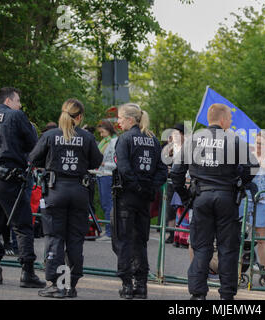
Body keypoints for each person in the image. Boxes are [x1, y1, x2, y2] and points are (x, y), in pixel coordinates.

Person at [170, 103, 257, 300]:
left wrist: (186, 198)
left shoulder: (193, 139)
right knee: (228, 249)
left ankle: (198, 295)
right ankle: (227, 296)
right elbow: (253, 166)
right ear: (223, 119)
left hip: (201, 197)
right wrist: (240, 183)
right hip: (227, 198)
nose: (232, 123)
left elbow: (176, 173)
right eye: (230, 119)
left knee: (201, 248)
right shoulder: (234, 140)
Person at [30, 98, 103, 298]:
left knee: (55, 238)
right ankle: (70, 284)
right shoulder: (86, 137)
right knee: (75, 239)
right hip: (79, 192)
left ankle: (57, 284)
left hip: (55, 191)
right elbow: (97, 161)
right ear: (79, 117)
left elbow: (33, 158)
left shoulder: (50, 135)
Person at [0, 87, 45, 288]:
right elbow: (34, 145)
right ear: (8, 101)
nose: (20, 104)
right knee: (22, 224)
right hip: (10, 175)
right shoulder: (16, 116)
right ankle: (27, 271)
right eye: (18, 100)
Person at [111, 103, 167, 299]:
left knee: (123, 240)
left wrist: (138, 187)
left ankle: (127, 284)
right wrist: (150, 188)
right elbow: (162, 169)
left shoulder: (124, 139)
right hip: (145, 198)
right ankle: (141, 285)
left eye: (120, 118)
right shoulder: (153, 140)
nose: (117, 122)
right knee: (140, 241)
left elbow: (124, 169)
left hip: (127, 196)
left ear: (130, 119)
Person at [239, 131, 265, 274]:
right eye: (257, 142)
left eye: (261, 143)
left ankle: (264, 269)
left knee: (260, 236)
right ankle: (239, 266)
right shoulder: (248, 156)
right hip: (245, 199)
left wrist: (259, 161)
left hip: (260, 201)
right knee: (240, 233)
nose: (258, 146)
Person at [95, 120, 118, 240]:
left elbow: (116, 162)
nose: (101, 135)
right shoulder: (104, 142)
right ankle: (109, 231)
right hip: (100, 174)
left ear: (108, 130)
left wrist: (104, 163)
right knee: (105, 204)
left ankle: (110, 232)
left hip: (107, 174)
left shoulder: (114, 142)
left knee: (108, 204)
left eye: (102, 132)